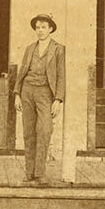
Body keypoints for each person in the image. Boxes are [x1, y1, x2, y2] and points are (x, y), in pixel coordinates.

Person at [14, 13, 65, 183]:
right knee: (29, 132)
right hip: (27, 91)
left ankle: (40, 173)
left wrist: (58, 99)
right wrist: (17, 95)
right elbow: (22, 72)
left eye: (44, 27)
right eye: (38, 27)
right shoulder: (30, 48)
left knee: (44, 130)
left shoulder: (58, 49)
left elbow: (61, 76)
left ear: (50, 29)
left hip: (45, 93)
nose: (40, 30)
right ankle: (29, 173)